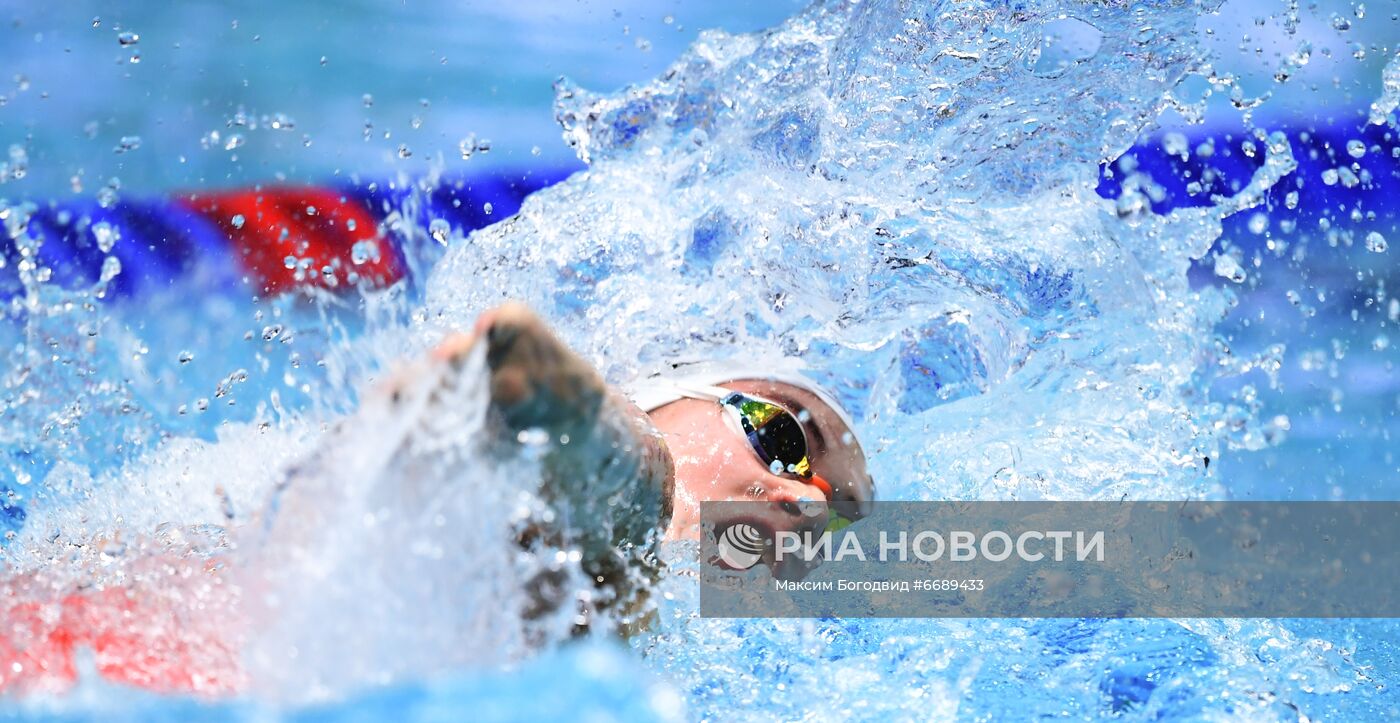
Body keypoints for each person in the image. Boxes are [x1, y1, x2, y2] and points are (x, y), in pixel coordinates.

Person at [0, 302, 874, 695]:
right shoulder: (616, 517)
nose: (803, 502)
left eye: (836, 518)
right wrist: (556, 405)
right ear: (665, 392)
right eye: (784, 434)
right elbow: (587, 454)